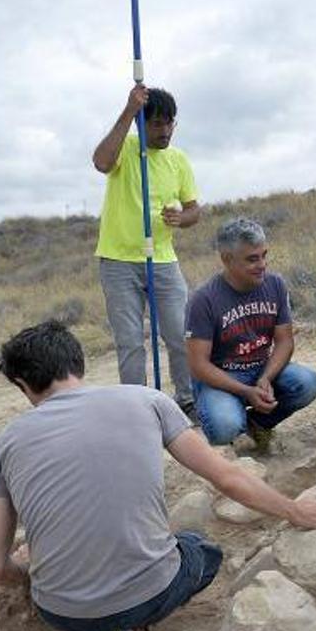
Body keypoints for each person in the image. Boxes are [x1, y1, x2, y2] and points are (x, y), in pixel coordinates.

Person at [0, 321, 316, 631]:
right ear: (77, 363)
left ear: (21, 384)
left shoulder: (5, 444)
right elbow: (227, 479)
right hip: (151, 593)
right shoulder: (146, 400)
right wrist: (295, 511)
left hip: (61, 611)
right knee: (200, 549)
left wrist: (31, 575)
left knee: (58, 572)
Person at [92, 84, 200, 415]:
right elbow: (100, 162)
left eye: (170, 123)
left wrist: (182, 218)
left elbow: (195, 210)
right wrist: (128, 110)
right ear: (142, 123)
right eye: (156, 123)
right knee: (130, 342)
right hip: (118, 261)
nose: (165, 131)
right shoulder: (126, 147)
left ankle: (188, 400)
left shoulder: (179, 160)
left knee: (181, 335)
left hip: (164, 261)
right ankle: (135, 410)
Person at [185, 217, 316, 449]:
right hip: (221, 378)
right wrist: (246, 392)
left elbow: (284, 342)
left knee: (307, 383)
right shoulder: (204, 299)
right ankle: (232, 431)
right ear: (227, 259)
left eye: (263, 255)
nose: (262, 265)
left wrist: (265, 378)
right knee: (225, 426)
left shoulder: (275, 284)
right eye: (252, 259)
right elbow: (198, 365)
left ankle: (256, 424)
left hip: (260, 368)